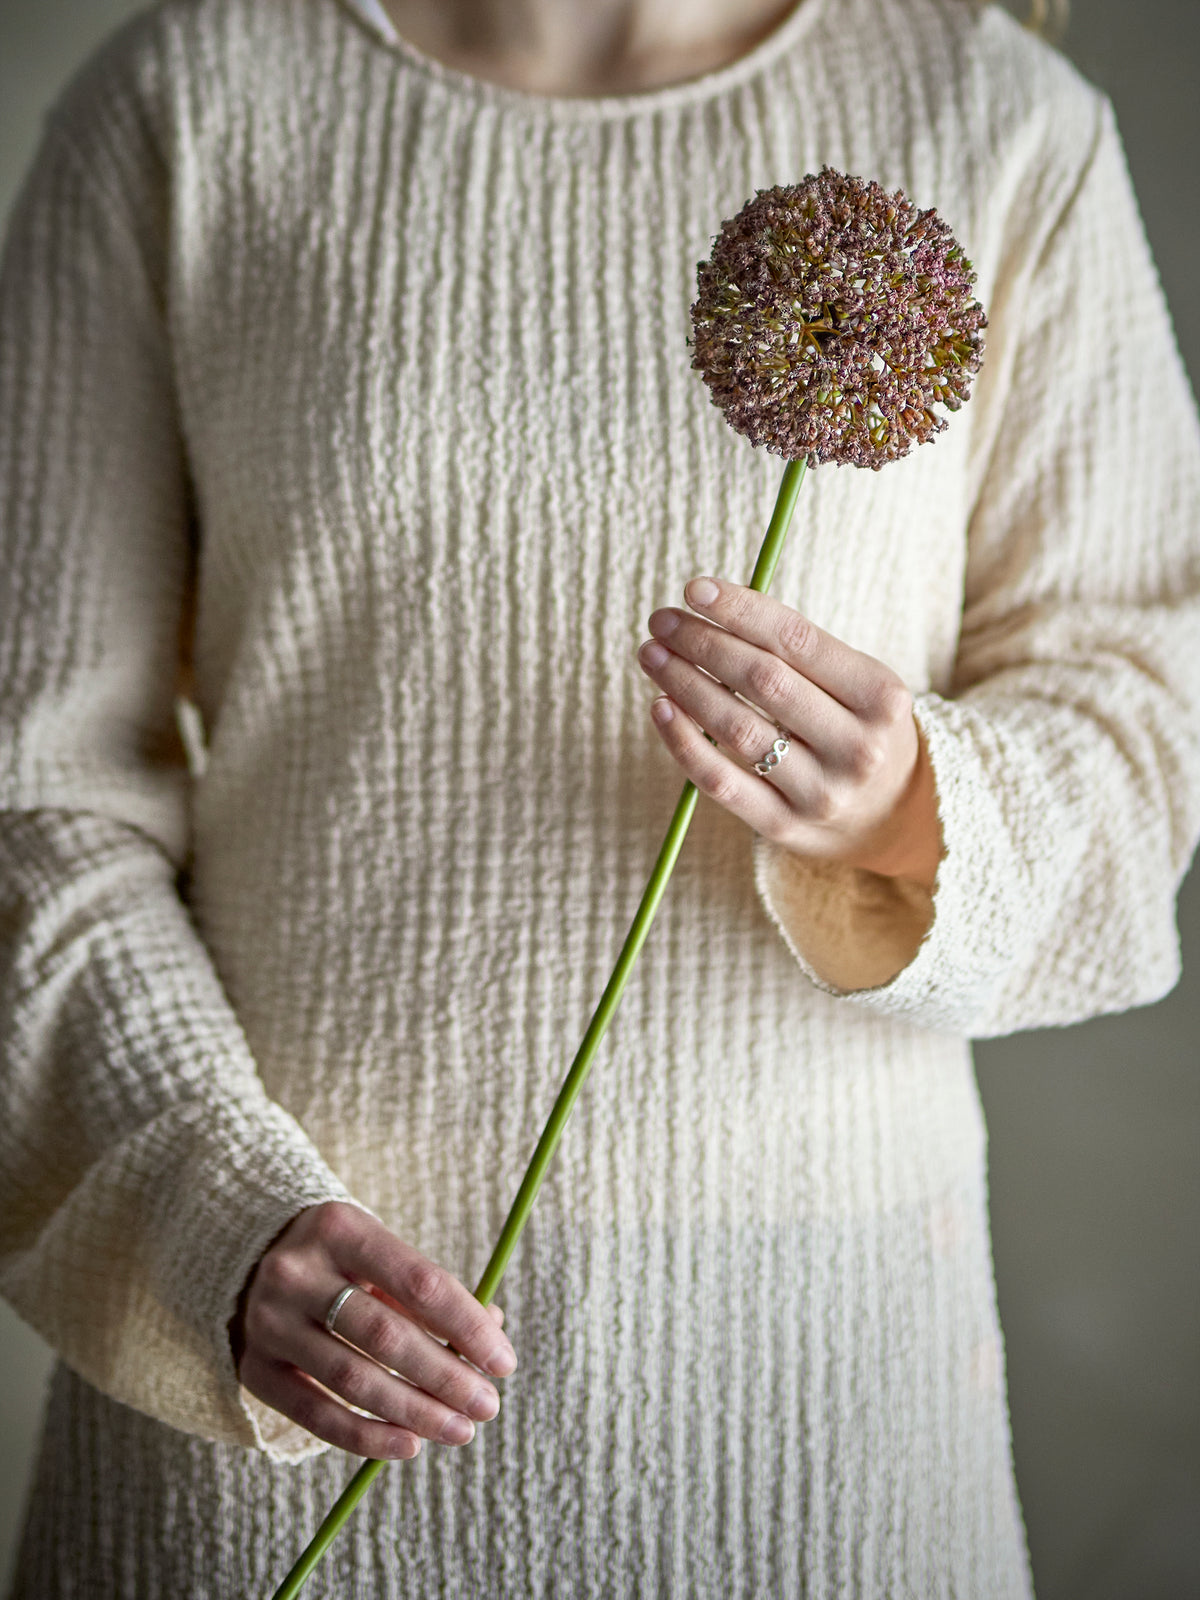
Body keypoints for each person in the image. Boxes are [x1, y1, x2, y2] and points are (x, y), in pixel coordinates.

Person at [1, 0, 1197, 1594]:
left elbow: (1142, 723)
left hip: (813, 1410)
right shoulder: (192, 103)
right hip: (279, 1402)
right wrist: (201, 1210)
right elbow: (33, 794)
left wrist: (915, 803)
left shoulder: (992, 120)